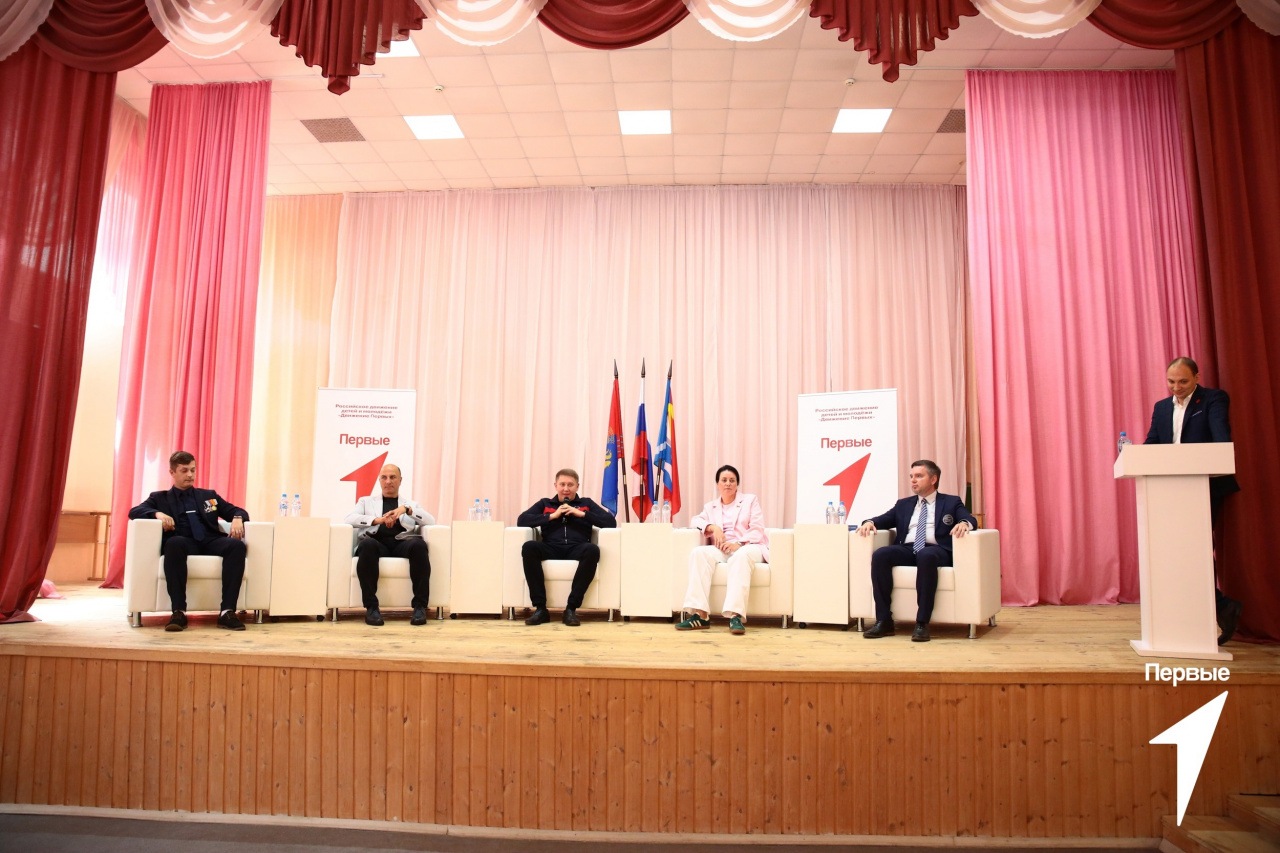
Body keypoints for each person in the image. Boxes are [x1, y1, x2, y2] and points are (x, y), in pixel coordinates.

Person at [1143, 356, 1243, 644]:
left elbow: (1221, 439)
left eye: (1183, 381)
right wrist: (1134, 454)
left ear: (1197, 378)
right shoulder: (1162, 407)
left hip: (1204, 486)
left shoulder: (1213, 399)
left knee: (1196, 549)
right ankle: (1219, 606)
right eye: (1171, 381)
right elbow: (1152, 443)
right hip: (1171, 489)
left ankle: (1216, 607)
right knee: (1178, 550)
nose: (1177, 387)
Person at [856, 459, 977, 642]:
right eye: (911, 476)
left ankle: (922, 623)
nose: (913, 480)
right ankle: (884, 620)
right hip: (908, 548)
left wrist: (964, 523)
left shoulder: (951, 502)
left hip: (936, 550)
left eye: (919, 476)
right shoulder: (903, 504)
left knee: (926, 555)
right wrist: (869, 522)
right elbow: (884, 519)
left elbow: (969, 519)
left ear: (933, 479)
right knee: (881, 554)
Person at [128, 451, 250, 632]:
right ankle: (178, 612)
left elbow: (237, 511)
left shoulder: (208, 496)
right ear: (172, 473)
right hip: (183, 541)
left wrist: (238, 518)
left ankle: (227, 612)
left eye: (193, 470)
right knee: (173, 543)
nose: (190, 475)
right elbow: (134, 511)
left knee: (236, 545)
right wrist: (157, 514)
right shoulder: (159, 498)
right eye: (184, 470)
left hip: (210, 540)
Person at [676, 465, 769, 635]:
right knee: (698, 553)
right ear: (718, 484)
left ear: (737, 484)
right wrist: (714, 528)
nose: (728, 483)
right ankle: (700, 615)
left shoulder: (750, 501)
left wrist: (739, 543)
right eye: (724, 480)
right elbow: (695, 521)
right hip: (723, 549)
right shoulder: (710, 507)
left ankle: (735, 616)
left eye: (732, 480)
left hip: (749, 546)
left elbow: (757, 529)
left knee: (740, 557)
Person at [516, 468, 617, 626]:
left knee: (592, 550)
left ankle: (571, 609)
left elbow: (610, 522)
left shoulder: (586, 504)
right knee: (529, 547)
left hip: (577, 548)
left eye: (570, 485)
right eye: (562, 484)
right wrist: (552, 516)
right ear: (555, 486)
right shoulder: (545, 503)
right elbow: (522, 520)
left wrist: (582, 514)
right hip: (551, 547)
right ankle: (541, 609)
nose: (566, 488)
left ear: (577, 486)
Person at [345, 464, 435, 627]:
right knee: (367, 545)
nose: (388, 481)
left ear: (400, 480)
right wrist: (376, 520)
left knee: (419, 545)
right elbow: (349, 518)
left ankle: (420, 607)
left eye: (393, 477)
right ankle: (371, 608)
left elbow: (431, 520)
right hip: (377, 544)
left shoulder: (409, 504)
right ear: (379, 480)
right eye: (384, 477)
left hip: (402, 543)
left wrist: (407, 510)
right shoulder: (366, 501)